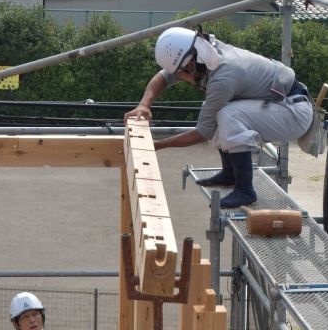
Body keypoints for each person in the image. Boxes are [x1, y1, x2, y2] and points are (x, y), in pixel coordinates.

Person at [124, 26, 314, 209]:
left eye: (180, 75)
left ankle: (245, 189)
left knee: (227, 114)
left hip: (294, 113)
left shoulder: (222, 77)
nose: (181, 79)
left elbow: (203, 132)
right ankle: (230, 174)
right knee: (218, 112)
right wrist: (144, 105)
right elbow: (163, 77)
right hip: (284, 104)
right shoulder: (204, 51)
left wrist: (159, 145)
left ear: (189, 65)